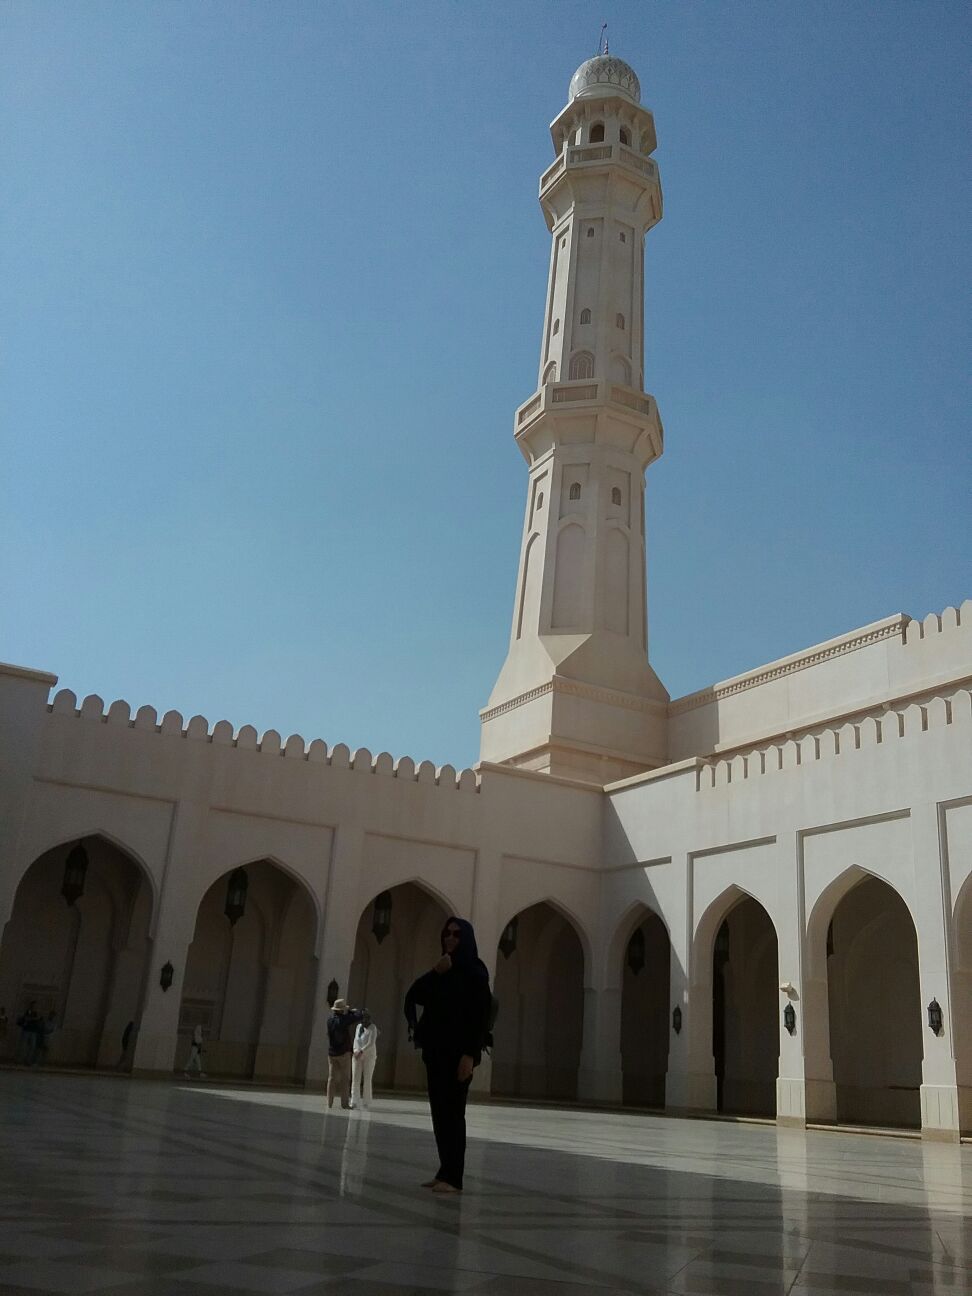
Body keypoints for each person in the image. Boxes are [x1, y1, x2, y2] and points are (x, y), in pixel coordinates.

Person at [404, 916, 492, 1194]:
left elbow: (480, 1017)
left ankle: (454, 1178)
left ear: (465, 939)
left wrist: (470, 1055)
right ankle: (444, 1171)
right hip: (437, 1052)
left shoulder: (476, 972)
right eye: (447, 933)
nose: (450, 938)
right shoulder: (444, 971)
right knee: (440, 1113)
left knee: (454, 1114)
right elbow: (415, 994)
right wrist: (436, 971)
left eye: (456, 934)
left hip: (459, 1055)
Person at [326, 998, 362, 1109]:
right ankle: (344, 1103)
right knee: (345, 1079)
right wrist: (350, 1011)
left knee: (331, 1078)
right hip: (343, 1053)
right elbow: (359, 1015)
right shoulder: (344, 1020)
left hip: (332, 1053)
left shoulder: (330, 1020)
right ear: (342, 1010)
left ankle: (329, 1102)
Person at [350, 1011, 378, 1109]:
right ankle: (354, 1101)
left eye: (366, 1018)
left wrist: (361, 1051)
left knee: (367, 1078)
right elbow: (355, 1040)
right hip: (357, 1055)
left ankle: (366, 1102)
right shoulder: (358, 1027)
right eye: (362, 1018)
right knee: (355, 1078)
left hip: (369, 1056)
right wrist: (355, 1051)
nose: (364, 1020)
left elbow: (371, 1043)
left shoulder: (373, 1028)